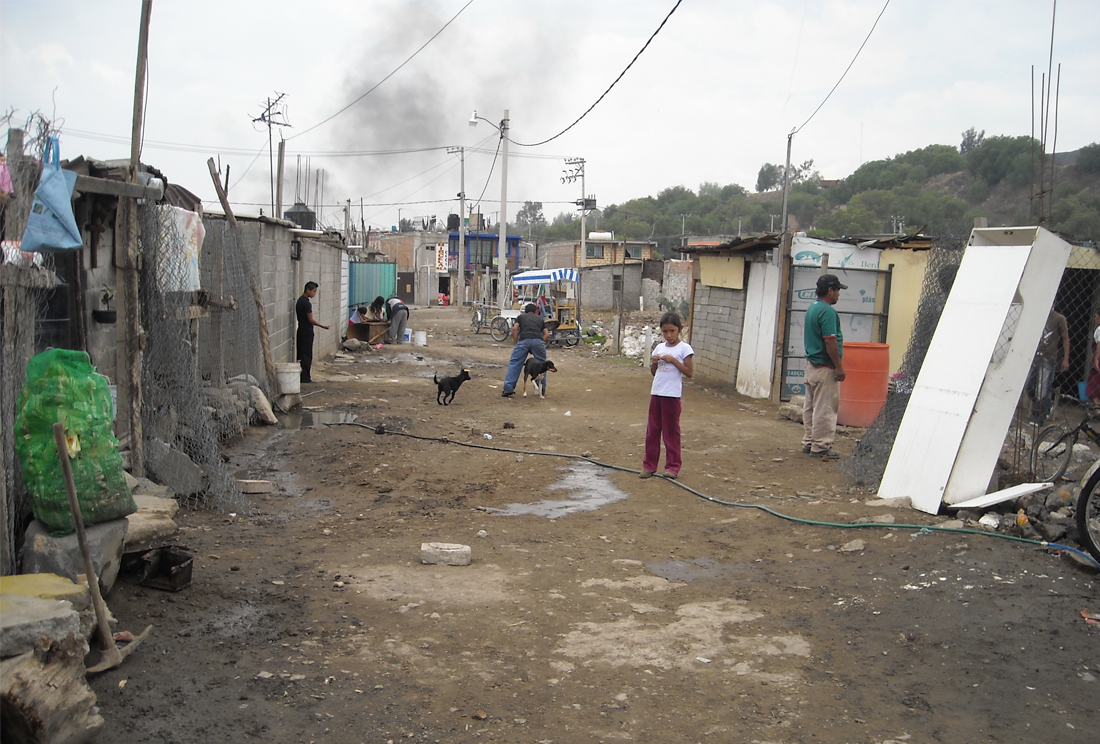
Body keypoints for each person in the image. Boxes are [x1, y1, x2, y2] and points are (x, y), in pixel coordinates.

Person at [640, 311, 694, 479]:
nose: (668, 335)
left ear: (680, 329)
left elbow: (689, 372)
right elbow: (654, 373)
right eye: (665, 331)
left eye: (672, 331)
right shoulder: (659, 347)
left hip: (672, 395)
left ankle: (672, 467)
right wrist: (655, 363)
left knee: (671, 432)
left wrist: (674, 361)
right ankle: (649, 465)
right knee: (652, 431)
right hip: (656, 393)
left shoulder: (684, 348)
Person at [802, 273, 847, 460]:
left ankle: (809, 441)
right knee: (825, 408)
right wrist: (838, 366)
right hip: (824, 367)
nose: (838, 295)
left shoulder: (812, 308)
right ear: (830, 290)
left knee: (810, 406)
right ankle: (820, 446)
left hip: (811, 365)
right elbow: (830, 342)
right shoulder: (827, 311)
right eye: (837, 291)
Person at [1025, 308, 1070, 424]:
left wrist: (1065, 358)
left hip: (1049, 357)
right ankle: (1047, 405)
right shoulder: (1040, 315)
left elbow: (1065, 339)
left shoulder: (1059, 318)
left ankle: (1039, 417)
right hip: (1036, 355)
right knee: (1029, 386)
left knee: (1042, 389)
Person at [501, 304, 548, 397]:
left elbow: (514, 328)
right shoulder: (540, 319)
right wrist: (540, 342)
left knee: (515, 362)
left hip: (523, 341)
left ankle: (508, 388)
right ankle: (541, 389)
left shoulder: (521, 317)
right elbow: (546, 334)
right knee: (543, 365)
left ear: (525, 311)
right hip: (538, 341)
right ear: (535, 311)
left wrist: (516, 342)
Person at [296, 281, 330, 384]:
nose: (315, 294)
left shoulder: (300, 301)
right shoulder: (306, 303)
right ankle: (305, 378)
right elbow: (310, 319)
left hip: (301, 329)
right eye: (314, 291)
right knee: (307, 355)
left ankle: (303, 376)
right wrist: (322, 326)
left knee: (302, 354)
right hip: (306, 331)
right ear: (308, 290)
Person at [1086, 311, 1100, 409]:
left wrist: (1096, 360)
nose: (1094, 318)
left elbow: (1099, 345)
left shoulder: (1099, 329)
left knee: (1093, 384)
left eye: (1096, 316)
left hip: (1098, 357)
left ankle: (1097, 410)